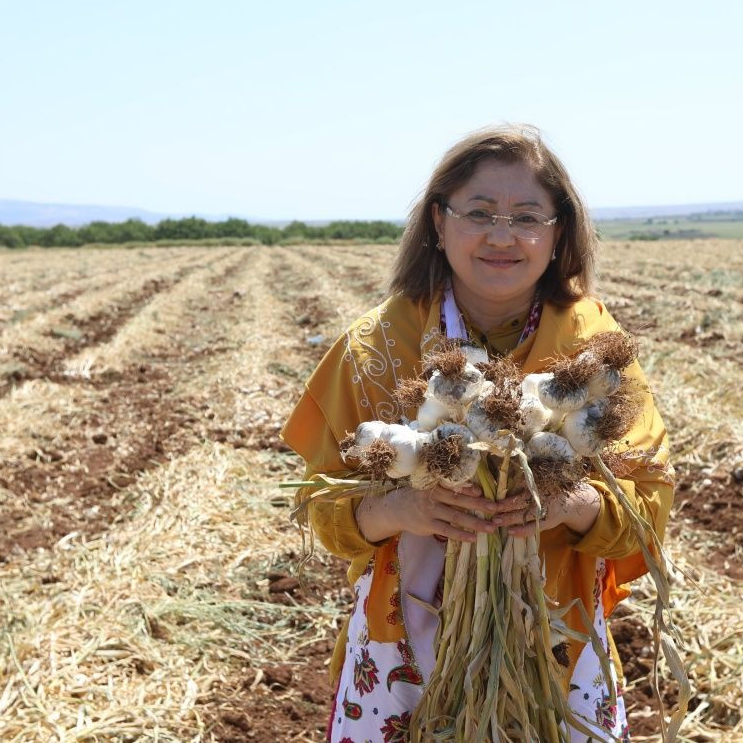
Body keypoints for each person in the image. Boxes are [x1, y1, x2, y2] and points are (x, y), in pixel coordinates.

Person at [281, 124, 674, 741]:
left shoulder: (593, 350)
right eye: (480, 212)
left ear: (559, 231)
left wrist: (568, 504)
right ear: (439, 224)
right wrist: (405, 506)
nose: (501, 236)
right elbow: (321, 509)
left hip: (557, 649)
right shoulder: (375, 348)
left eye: (527, 216)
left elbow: (647, 506)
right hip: (401, 651)